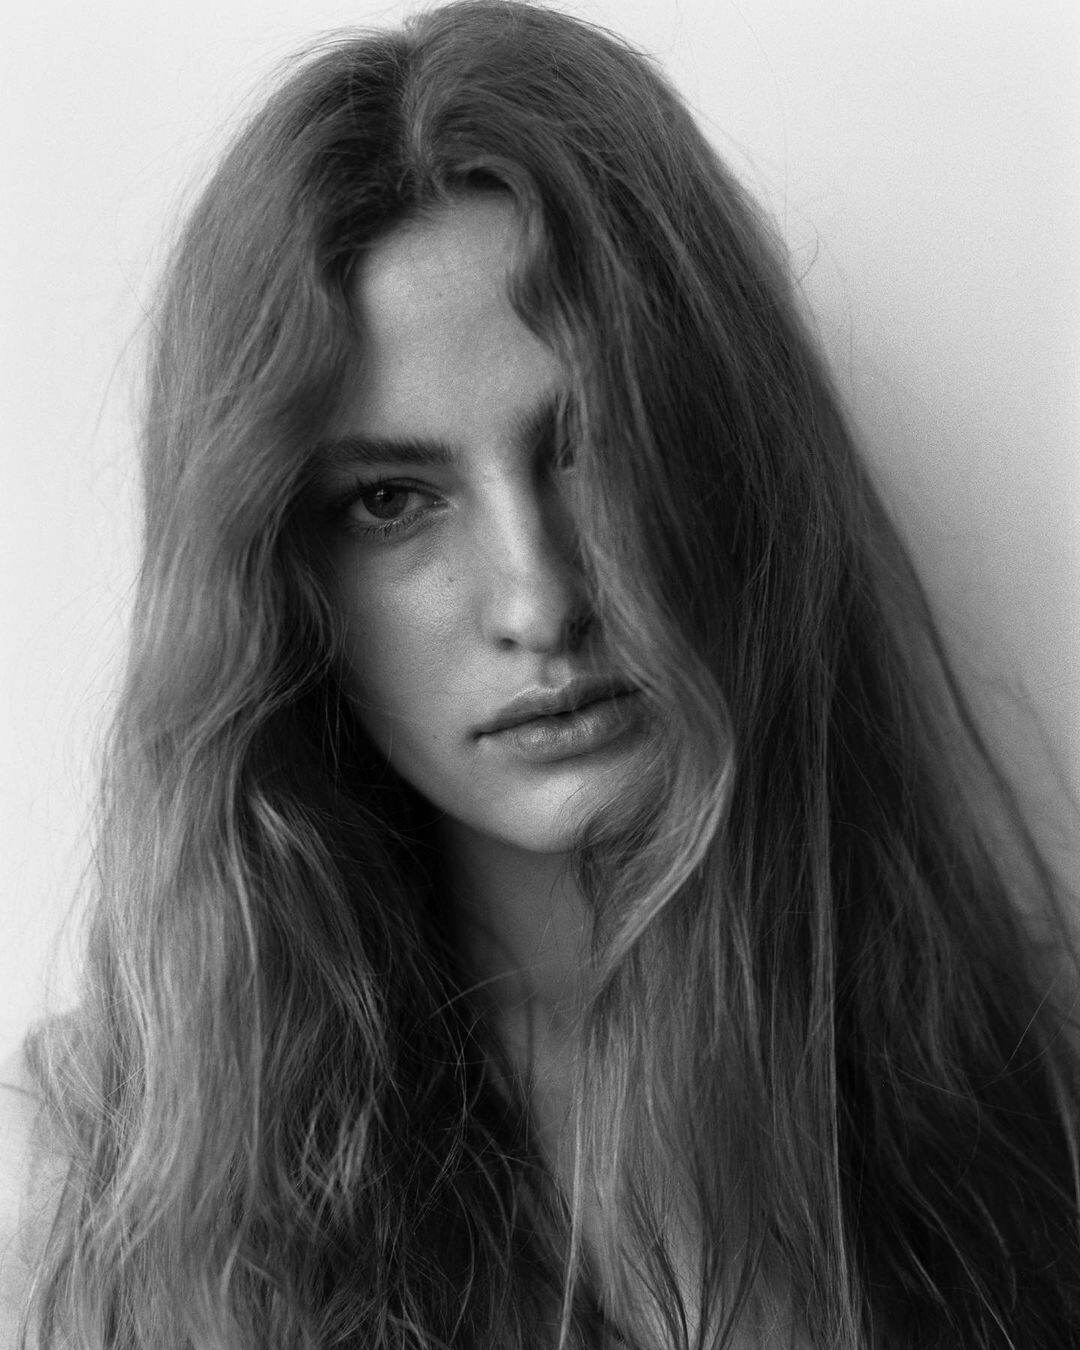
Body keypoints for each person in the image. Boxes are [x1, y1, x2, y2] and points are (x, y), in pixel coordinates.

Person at [3, 1, 1079, 1346]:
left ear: (728, 460)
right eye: (392, 501)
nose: (539, 601)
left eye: (592, 446)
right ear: (283, 585)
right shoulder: (114, 1180)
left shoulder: (1031, 1085)